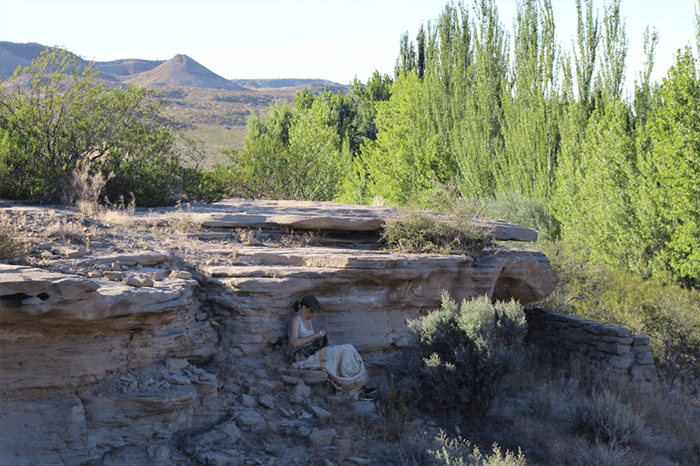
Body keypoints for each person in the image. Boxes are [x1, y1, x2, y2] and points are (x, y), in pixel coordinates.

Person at [288, 295, 375, 397]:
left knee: (349, 349)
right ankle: (355, 388)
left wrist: (322, 338)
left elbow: (310, 339)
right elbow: (294, 343)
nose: (314, 314)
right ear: (303, 308)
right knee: (343, 352)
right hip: (303, 355)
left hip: (314, 350)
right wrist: (315, 336)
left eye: (316, 312)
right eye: (312, 311)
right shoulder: (296, 321)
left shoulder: (308, 321)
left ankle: (359, 386)